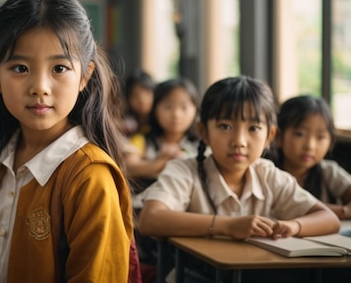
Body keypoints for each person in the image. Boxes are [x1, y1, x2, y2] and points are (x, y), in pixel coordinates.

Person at [0, 0, 135, 282]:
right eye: (20, 68)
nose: (40, 87)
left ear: (85, 76)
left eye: (60, 68)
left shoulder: (90, 178)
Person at [136, 76, 340, 283]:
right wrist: (228, 226)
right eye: (225, 126)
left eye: (253, 129)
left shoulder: (268, 174)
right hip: (195, 276)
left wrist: (295, 226)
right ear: (203, 132)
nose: (239, 142)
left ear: (270, 136)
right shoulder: (185, 170)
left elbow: (329, 219)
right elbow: (150, 220)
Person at [270, 95, 351, 219]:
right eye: (299, 134)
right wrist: (341, 211)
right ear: (278, 137)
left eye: (320, 137)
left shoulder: (328, 171)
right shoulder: (267, 173)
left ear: (331, 142)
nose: (310, 146)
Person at [126, 77, 200, 182]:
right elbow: (128, 166)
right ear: (155, 109)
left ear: (195, 110)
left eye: (184, 107)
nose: (176, 114)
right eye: (168, 107)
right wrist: (160, 161)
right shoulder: (141, 140)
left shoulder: (203, 143)